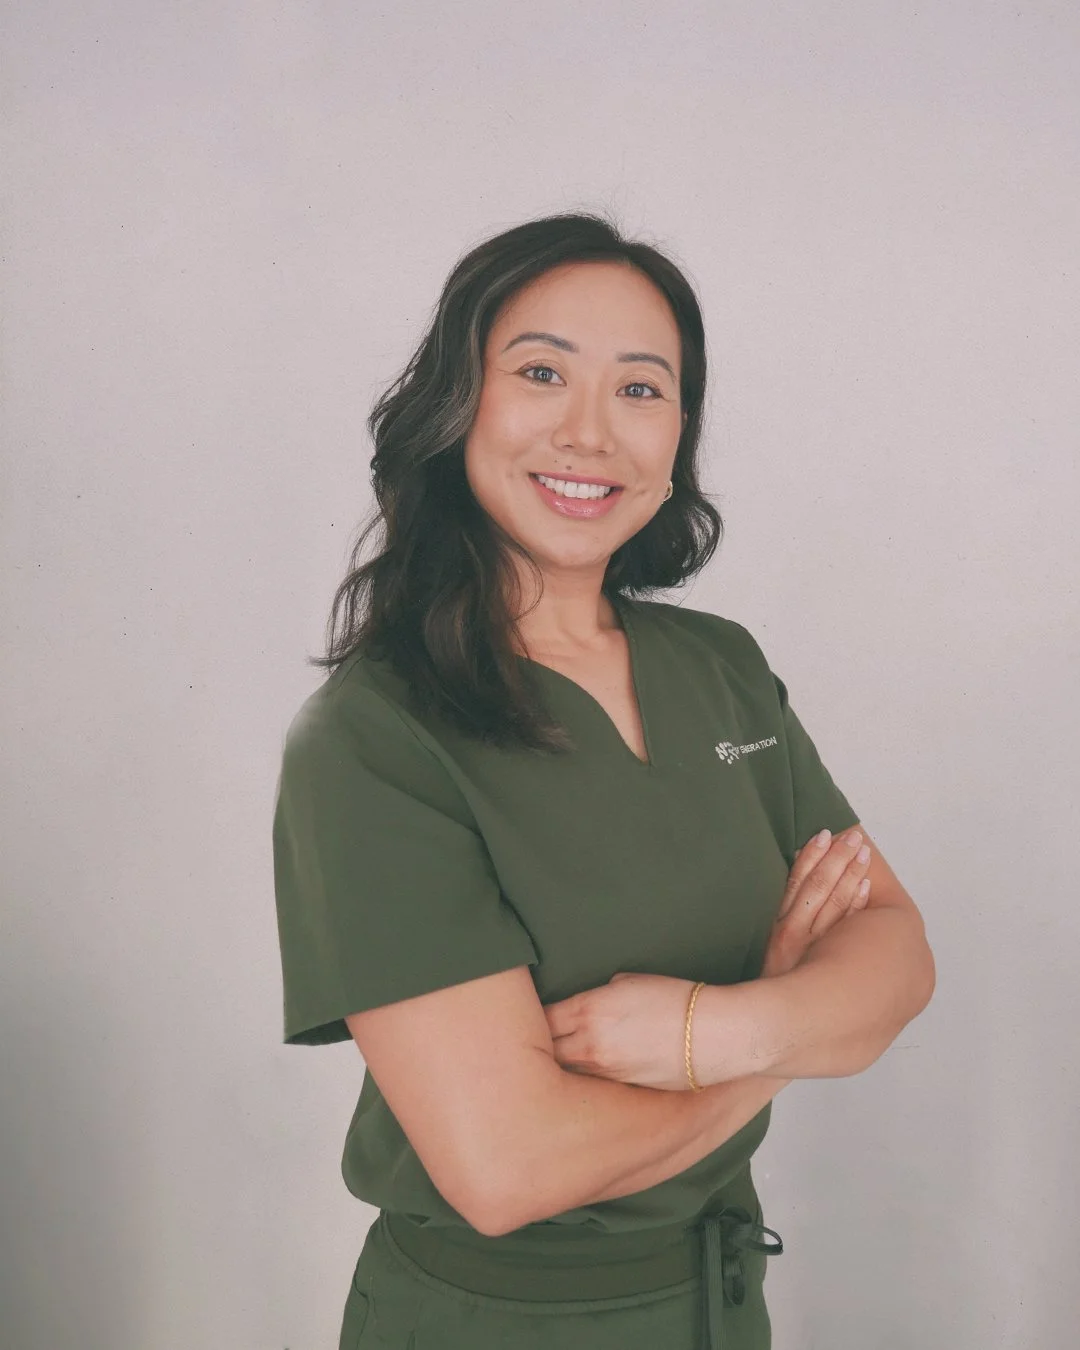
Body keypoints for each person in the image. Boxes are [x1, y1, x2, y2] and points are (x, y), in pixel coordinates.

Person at [271, 212, 936, 1350]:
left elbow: (897, 953)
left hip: (722, 1299)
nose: (591, 433)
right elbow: (507, 1169)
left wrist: (709, 1033)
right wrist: (790, 1029)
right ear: (455, 406)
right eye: (540, 374)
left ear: (680, 430)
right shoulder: (376, 737)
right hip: (500, 1320)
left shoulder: (718, 667)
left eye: (641, 390)